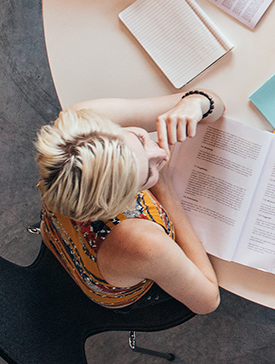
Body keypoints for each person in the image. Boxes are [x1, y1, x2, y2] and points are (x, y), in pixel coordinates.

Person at [35, 90, 223, 314]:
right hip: (117, 284)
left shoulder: (82, 124)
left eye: (140, 138)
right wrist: (165, 190)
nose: (161, 153)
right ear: (122, 204)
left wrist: (195, 103)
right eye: (147, 175)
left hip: (57, 233)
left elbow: (214, 102)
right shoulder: (142, 242)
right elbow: (208, 301)